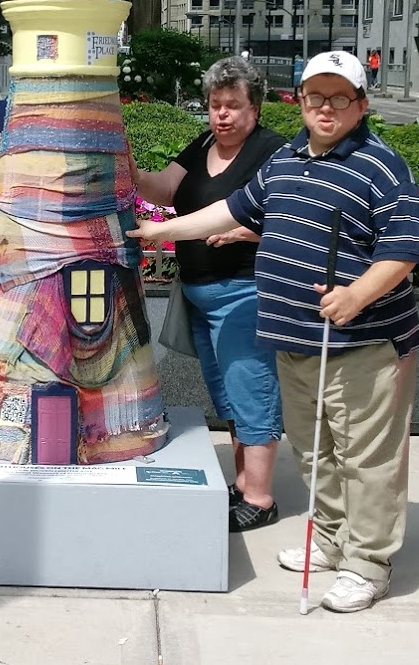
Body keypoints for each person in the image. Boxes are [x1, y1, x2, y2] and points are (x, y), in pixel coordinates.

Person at [130, 51, 419, 613]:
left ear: (361, 105)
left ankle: (369, 562)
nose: (326, 107)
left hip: (361, 339)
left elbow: (406, 251)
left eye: (341, 97)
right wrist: (155, 231)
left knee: (367, 456)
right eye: (317, 96)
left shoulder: (382, 165)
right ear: (301, 101)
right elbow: (230, 211)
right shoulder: (288, 158)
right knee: (318, 452)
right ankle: (335, 541)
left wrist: (358, 293)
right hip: (293, 335)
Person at [130, 56, 287, 532]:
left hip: (245, 292)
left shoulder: (272, 152)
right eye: (216, 105)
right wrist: (129, 168)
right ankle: (242, 483)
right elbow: (162, 188)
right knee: (228, 394)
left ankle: (259, 497)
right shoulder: (201, 144)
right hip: (199, 292)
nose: (222, 114)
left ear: (254, 109)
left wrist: (246, 233)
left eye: (233, 106)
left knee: (252, 391)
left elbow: (289, 218)